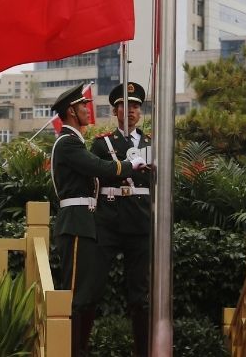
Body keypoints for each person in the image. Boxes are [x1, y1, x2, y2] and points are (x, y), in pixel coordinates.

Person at [49, 83, 147, 357]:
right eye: (82, 106)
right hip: (77, 220)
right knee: (77, 293)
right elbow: (100, 168)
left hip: (88, 219)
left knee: (84, 291)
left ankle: (77, 349)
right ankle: (70, 350)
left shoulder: (74, 141)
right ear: (71, 111)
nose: (87, 109)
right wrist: (132, 165)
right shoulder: (68, 143)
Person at [90, 82, 153, 357]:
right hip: (110, 218)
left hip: (139, 221)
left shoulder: (152, 144)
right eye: (124, 107)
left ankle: (143, 351)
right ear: (115, 110)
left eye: (136, 107)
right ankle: (80, 348)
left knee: (140, 294)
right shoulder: (102, 143)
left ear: (140, 112)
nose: (130, 112)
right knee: (92, 287)